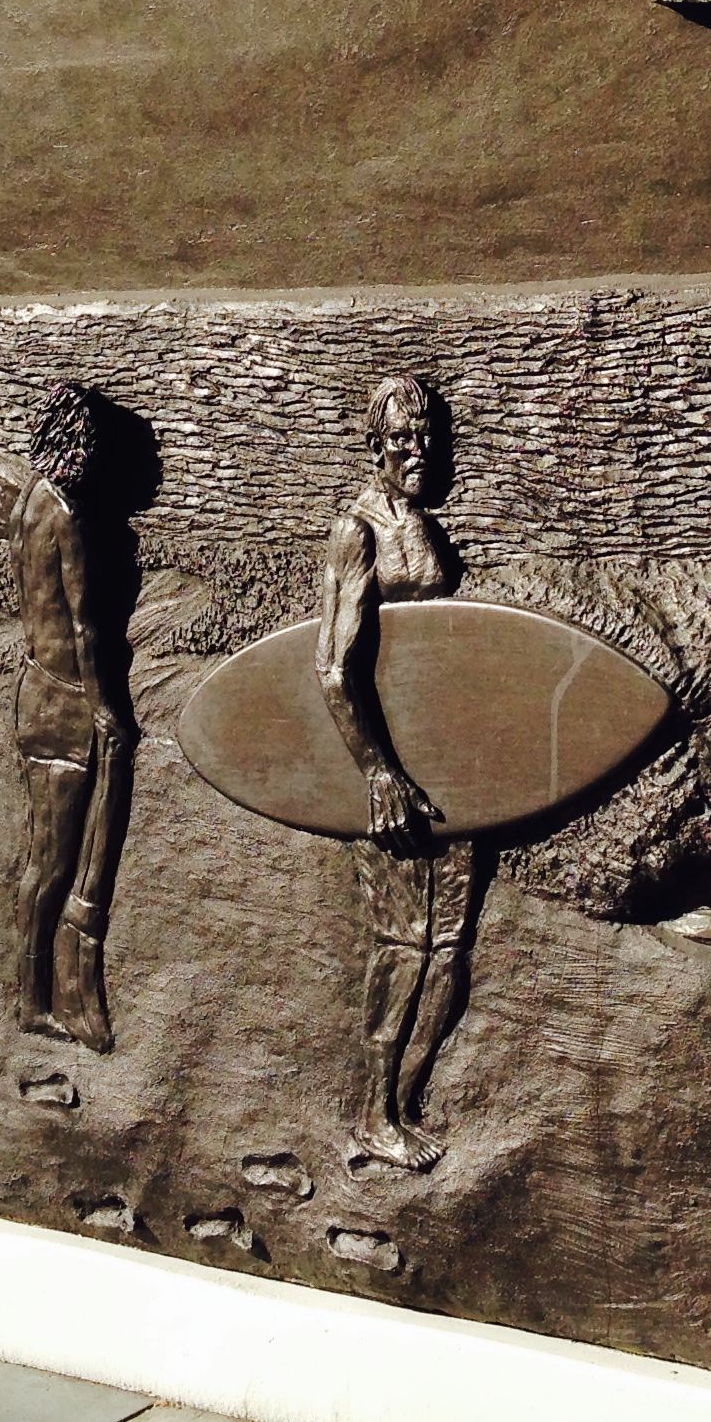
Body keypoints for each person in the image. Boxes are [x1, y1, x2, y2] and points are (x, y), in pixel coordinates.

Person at [315, 373, 477, 1171]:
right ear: (375, 445)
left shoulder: (426, 528)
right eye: (403, 438)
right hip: (388, 776)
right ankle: (369, 1114)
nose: (419, 450)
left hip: (448, 766)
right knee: (403, 943)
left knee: (447, 946)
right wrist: (376, 772)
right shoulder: (356, 532)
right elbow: (332, 669)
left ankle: (404, 1107)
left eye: (427, 436)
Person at [11, 383, 127, 1051]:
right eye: (87, 446)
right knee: (54, 864)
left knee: (43, 859)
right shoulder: (65, 516)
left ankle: (35, 994)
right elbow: (83, 625)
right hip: (65, 702)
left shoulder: (27, 502)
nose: (92, 460)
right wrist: (104, 707)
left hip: (34, 688)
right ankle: (33, 1001)